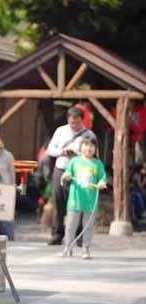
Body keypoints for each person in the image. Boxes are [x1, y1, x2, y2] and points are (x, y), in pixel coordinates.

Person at [46, 107, 97, 246]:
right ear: (68, 119)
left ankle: (78, 235)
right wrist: (62, 152)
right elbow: (50, 149)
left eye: (77, 122)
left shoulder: (89, 134)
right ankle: (57, 233)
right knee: (58, 201)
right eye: (71, 122)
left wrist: (78, 155)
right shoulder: (61, 131)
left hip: (79, 171)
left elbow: (93, 154)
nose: (74, 125)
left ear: (82, 120)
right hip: (61, 168)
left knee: (78, 202)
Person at [60, 137, 107, 259]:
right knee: (70, 224)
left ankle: (86, 248)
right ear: (81, 148)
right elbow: (67, 173)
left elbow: (103, 178)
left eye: (92, 146)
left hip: (90, 200)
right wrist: (66, 176)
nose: (88, 148)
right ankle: (67, 247)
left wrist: (102, 183)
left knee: (88, 225)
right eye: (86, 145)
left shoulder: (98, 164)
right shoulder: (75, 161)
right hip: (75, 198)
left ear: (96, 149)